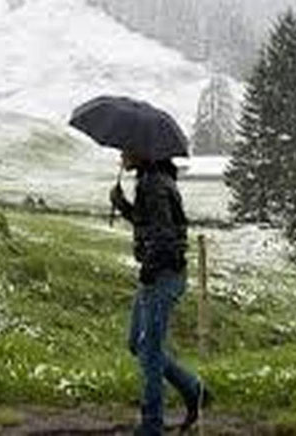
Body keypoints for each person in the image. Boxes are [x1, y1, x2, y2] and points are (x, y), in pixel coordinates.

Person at [110, 150, 213, 435]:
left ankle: (152, 425)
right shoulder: (152, 180)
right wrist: (123, 206)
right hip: (159, 274)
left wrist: (149, 268)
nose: (122, 156)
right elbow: (151, 224)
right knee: (138, 345)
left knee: (150, 352)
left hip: (162, 275)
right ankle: (195, 391)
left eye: (126, 150)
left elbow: (165, 235)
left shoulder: (153, 184)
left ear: (141, 154)